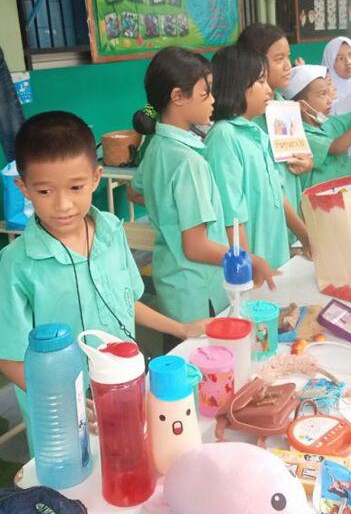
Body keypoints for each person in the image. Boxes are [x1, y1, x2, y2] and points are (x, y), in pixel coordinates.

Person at [0, 112, 212, 418]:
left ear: (95, 178)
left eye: (75, 187)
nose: (63, 205)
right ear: (24, 188)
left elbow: (125, 303)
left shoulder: (112, 231)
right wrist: (66, 402)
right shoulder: (17, 264)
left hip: (125, 386)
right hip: (62, 417)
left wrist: (180, 328)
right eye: (45, 191)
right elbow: (6, 357)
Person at [130, 48, 277, 329]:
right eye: (205, 93)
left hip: (172, 283)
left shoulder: (157, 147)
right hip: (199, 291)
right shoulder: (189, 162)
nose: (213, 100)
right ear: (177, 96)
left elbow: (134, 191)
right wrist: (250, 260)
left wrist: (170, 211)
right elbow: (195, 247)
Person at [205, 45, 310, 270]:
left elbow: (278, 193)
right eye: (261, 81)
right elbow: (232, 216)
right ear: (238, 84)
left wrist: (306, 237)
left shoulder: (256, 133)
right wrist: (246, 267)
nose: (269, 90)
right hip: (252, 267)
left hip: (274, 259)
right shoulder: (224, 137)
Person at [238, 23, 313, 215]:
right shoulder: (244, 119)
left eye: (288, 56)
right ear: (254, 62)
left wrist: (306, 163)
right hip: (262, 219)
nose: (288, 66)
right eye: (279, 59)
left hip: (291, 216)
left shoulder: (285, 107)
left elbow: (299, 159)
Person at [285, 65, 351, 191]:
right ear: (303, 106)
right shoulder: (301, 135)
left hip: (347, 192)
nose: (329, 100)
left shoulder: (329, 123)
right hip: (323, 199)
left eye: (328, 93)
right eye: (322, 94)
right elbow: (337, 148)